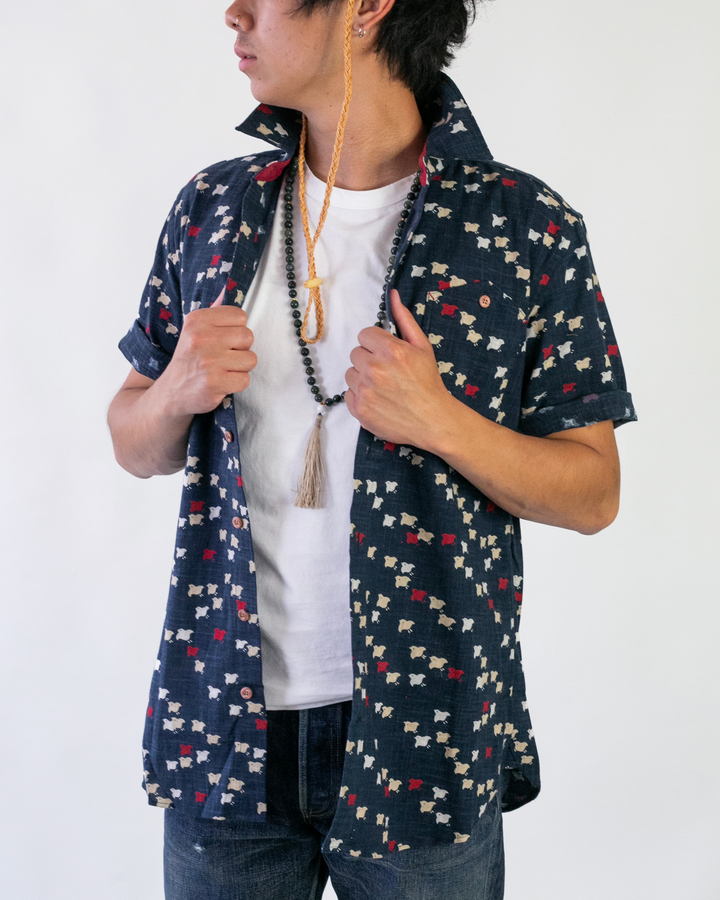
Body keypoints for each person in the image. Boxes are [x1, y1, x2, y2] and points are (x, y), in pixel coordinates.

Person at [107, 0, 637, 897]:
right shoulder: (214, 208)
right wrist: (174, 390)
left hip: (425, 732)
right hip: (226, 727)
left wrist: (441, 421)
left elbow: (593, 494)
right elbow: (132, 440)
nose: (234, 14)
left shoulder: (524, 226)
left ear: (368, 6)